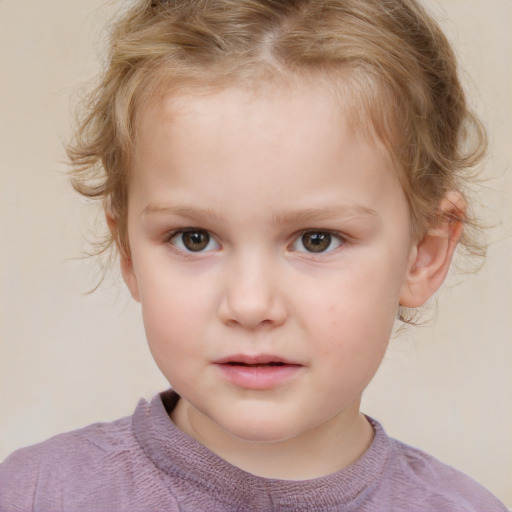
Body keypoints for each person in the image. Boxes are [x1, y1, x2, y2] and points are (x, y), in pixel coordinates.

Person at [0, 0, 508, 510]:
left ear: (424, 253)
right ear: (128, 253)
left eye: (316, 239)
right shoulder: (37, 493)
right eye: (194, 238)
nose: (249, 304)